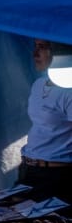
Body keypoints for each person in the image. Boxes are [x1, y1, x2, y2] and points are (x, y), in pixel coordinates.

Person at [21, 39, 72, 203]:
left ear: (60, 51)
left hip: (55, 175)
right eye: (35, 46)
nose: (35, 53)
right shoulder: (38, 84)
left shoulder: (69, 91)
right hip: (28, 169)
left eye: (42, 47)